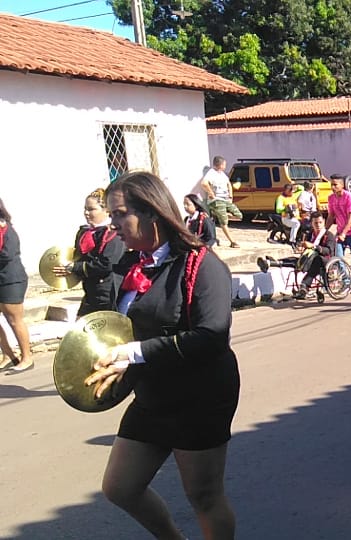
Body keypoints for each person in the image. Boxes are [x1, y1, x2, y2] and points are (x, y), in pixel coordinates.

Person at [84, 171, 240, 538]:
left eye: (120, 213)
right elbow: (116, 323)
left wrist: (135, 353)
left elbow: (212, 336)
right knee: (120, 488)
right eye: (111, 214)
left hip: (200, 396)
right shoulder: (131, 263)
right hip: (153, 395)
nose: (113, 224)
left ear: (152, 211)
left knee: (203, 496)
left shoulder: (202, 265)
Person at [51, 188, 126, 316]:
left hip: (107, 293)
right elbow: (78, 258)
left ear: (106, 210)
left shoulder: (114, 234)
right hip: (90, 292)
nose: (86, 213)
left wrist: (75, 267)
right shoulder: (84, 233)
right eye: (85, 209)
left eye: (91, 209)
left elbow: (107, 264)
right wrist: (66, 268)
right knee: (80, 325)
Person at [259, 212, 337, 299]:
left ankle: (305, 286)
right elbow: (305, 247)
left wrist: (314, 246)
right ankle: (271, 263)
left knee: (317, 260)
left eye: (320, 222)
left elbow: (328, 251)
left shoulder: (328, 235)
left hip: (325, 261)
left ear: (324, 222)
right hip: (310, 258)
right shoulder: (310, 234)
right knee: (297, 260)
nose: (318, 225)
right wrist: (301, 248)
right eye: (315, 223)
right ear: (312, 223)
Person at [0, 198, 32, 374]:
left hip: (10, 279)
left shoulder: (5, 229)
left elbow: (7, 255)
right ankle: (8, 355)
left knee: (14, 319)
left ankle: (27, 358)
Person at [325, 174, 351, 293]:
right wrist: (324, 230)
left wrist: (344, 233)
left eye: (335, 185)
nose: (333, 187)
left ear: (342, 185)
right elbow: (331, 216)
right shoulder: (331, 198)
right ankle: (346, 283)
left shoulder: (349, 197)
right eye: (331, 185)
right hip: (340, 231)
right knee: (338, 258)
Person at [199, 156, 242, 248]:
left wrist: (231, 196)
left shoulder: (222, 174)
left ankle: (221, 214)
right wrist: (210, 192)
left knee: (239, 215)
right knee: (224, 222)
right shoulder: (211, 173)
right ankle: (232, 241)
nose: (225, 166)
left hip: (225, 199)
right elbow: (204, 183)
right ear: (220, 165)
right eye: (224, 164)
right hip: (217, 200)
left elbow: (228, 184)